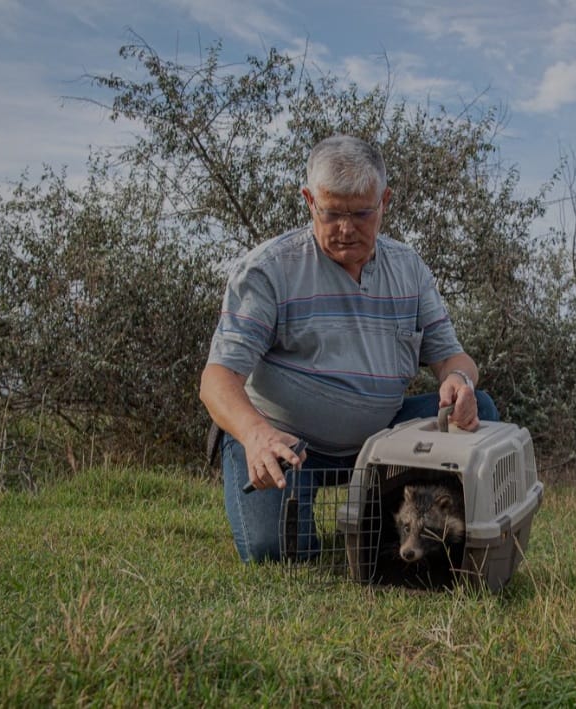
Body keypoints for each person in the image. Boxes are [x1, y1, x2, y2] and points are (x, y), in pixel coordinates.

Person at [199, 134, 499, 563]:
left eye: (360, 213)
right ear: (309, 201)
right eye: (332, 212)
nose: (346, 228)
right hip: (283, 442)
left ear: (385, 202)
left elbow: (452, 357)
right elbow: (217, 381)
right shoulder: (268, 270)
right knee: (276, 553)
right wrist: (255, 434)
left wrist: (458, 380)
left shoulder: (409, 269)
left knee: (480, 408)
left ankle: (444, 537)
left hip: (380, 444)